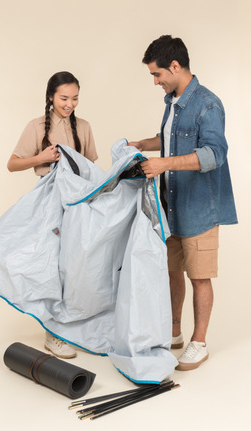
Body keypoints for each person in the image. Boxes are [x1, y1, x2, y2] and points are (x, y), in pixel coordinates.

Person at [128, 35, 237, 370]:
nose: (156, 82)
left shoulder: (208, 104)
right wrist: (140, 144)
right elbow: (170, 139)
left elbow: (215, 153)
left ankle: (198, 342)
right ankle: (173, 332)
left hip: (201, 208)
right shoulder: (172, 102)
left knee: (199, 277)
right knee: (172, 271)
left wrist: (163, 164)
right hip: (171, 206)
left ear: (174, 66)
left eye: (157, 75)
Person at [7, 71, 98, 359]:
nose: (70, 104)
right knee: (51, 264)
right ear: (50, 97)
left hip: (79, 204)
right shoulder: (36, 126)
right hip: (49, 204)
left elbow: (92, 169)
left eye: (74, 98)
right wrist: (41, 158)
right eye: (63, 98)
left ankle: (72, 325)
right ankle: (53, 334)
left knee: (77, 264)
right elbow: (12, 164)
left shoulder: (83, 127)